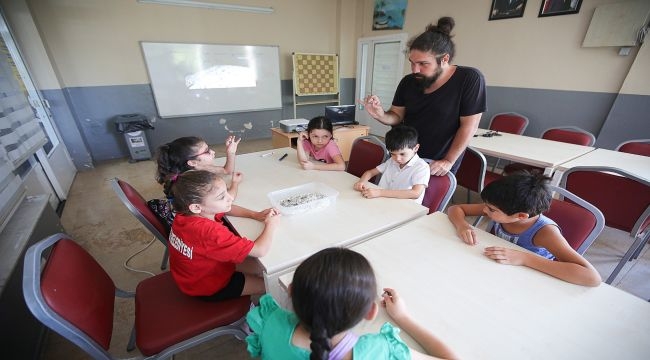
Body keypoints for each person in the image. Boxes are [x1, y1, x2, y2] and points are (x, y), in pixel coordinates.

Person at [246, 247, 457, 360]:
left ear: (290, 291)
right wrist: (403, 318)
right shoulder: (379, 352)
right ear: (371, 312)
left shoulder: (271, 321)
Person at [363, 16, 486, 177]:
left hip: (438, 161)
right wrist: (380, 114)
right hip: (405, 155)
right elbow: (396, 117)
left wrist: (449, 161)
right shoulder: (408, 82)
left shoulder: (469, 79)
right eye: (412, 62)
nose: (415, 70)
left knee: (423, 201)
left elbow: (469, 126)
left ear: (444, 59)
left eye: (423, 64)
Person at [447, 172, 602, 287]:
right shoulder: (500, 208)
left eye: (491, 210)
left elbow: (592, 277)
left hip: (527, 281)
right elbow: (456, 208)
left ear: (521, 216)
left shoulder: (546, 232)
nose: (485, 211)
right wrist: (462, 225)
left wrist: (524, 258)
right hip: (495, 269)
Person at [168, 170, 281, 300]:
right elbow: (260, 250)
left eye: (227, 191)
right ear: (196, 207)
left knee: (265, 268)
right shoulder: (210, 232)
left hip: (192, 274)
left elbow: (228, 208)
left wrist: (254, 215)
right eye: (222, 197)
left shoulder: (186, 213)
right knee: (272, 284)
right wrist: (271, 224)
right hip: (205, 286)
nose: (230, 198)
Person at [151, 135, 242, 228]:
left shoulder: (197, 166)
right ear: (192, 162)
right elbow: (228, 199)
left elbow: (226, 171)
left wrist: (231, 152)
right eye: (207, 151)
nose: (213, 152)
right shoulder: (194, 183)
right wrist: (235, 183)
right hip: (195, 225)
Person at [353, 125, 430, 204]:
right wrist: (361, 182)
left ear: (416, 148)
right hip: (383, 202)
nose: (397, 159)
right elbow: (370, 172)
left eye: (402, 154)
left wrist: (380, 192)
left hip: (404, 208)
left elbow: (415, 193)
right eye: (393, 154)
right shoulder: (391, 161)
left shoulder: (421, 167)